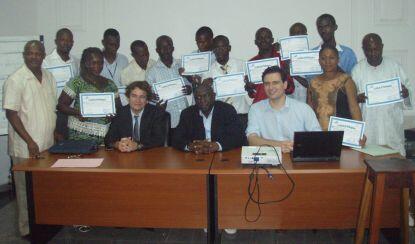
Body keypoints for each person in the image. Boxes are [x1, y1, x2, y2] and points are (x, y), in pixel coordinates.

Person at [3, 40, 57, 236]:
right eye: (30, 53)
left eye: (37, 53)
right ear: (24, 55)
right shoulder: (16, 79)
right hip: (26, 148)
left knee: (44, 188)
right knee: (25, 191)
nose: (34, 57)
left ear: (43, 55)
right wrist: (29, 141)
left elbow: (51, 108)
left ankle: (44, 223)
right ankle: (27, 230)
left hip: (47, 146)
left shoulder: (49, 76)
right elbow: (11, 113)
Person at [352, 33, 411, 156]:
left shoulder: (395, 67)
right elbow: (352, 102)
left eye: (376, 49)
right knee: (369, 168)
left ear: (382, 47)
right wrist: (357, 98)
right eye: (369, 50)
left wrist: (406, 94)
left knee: (396, 169)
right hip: (369, 132)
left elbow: (409, 96)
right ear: (363, 50)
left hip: (392, 131)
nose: (373, 53)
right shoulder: (357, 70)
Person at [246, 66, 321, 153]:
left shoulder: (304, 109)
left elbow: (317, 137)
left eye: (275, 83)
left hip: (298, 158)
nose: (271, 87)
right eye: (267, 84)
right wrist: (278, 145)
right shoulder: (256, 109)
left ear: (285, 85)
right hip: (269, 160)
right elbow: (252, 139)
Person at [58, 47, 122, 145]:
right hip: (80, 135)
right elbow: (61, 105)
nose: (98, 66)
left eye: (100, 62)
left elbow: (119, 108)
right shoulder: (76, 82)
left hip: (106, 136)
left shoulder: (110, 84)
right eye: (94, 62)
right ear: (86, 63)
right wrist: (78, 112)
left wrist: (113, 114)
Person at [172, 84, 245, 154]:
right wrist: (190, 146)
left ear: (213, 96)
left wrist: (217, 145)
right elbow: (176, 138)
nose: (202, 100)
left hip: (223, 155)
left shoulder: (227, 110)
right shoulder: (187, 113)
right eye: (198, 97)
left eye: (205, 96)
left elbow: (238, 136)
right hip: (196, 156)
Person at [307, 44, 362, 131]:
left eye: (331, 58)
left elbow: (354, 108)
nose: (327, 62)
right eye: (323, 58)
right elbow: (309, 112)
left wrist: (359, 132)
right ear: (319, 61)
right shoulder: (313, 83)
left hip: (343, 133)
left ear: (338, 60)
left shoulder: (346, 80)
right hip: (319, 133)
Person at [202, 35, 252, 129]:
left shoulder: (242, 65)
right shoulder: (207, 73)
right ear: (213, 50)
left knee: (243, 143)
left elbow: (252, 92)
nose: (219, 51)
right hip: (220, 117)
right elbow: (205, 99)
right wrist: (205, 87)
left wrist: (249, 86)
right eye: (216, 48)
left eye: (223, 47)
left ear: (229, 48)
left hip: (242, 115)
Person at [105, 81, 167, 151]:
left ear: (147, 100)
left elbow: (159, 140)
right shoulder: (120, 113)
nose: (138, 100)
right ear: (128, 98)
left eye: (142, 97)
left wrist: (137, 146)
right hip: (126, 157)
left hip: (150, 156)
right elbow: (108, 140)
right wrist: (118, 144)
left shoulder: (157, 113)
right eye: (134, 96)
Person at [146, 35, 192, 129]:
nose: (166, 49)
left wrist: (189, 88)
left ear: (173, 48)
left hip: (186, 116)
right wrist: (151, 97)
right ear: (157, 50)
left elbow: (191, 87)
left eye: (168, 46)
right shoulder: (151, 72)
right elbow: (147, 96)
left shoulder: (182, 65)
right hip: (168, 119)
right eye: (162, 47)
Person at [43, 28, 80, 141]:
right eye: (63, 40)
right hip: (54, 113)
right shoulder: (46, 62)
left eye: (69, 41)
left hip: (73, 112)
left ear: (72, 43)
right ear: (56, 41)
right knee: (58, 148)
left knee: (72, 147)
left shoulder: (76, 61)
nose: (66, 43)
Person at [245, 27, 294, 103]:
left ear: (272, 40)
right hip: (259, 107)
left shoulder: (282, 60)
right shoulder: (251, 63)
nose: (263, 40)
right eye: (260, 38)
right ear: (256, 42)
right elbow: (253, 95)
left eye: (267, 37)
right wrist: (249, 88)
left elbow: (290, 89)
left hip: (280, 106)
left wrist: (287, 73)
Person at [287, 22, 309, 103]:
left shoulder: (312, 56)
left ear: (306, 35)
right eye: (294, 34)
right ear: (290, 37)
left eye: (301, 33)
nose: (298, 36)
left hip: (307, 103)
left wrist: (293, 74)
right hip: (289, 103)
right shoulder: (284, 57)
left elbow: (311, 84)